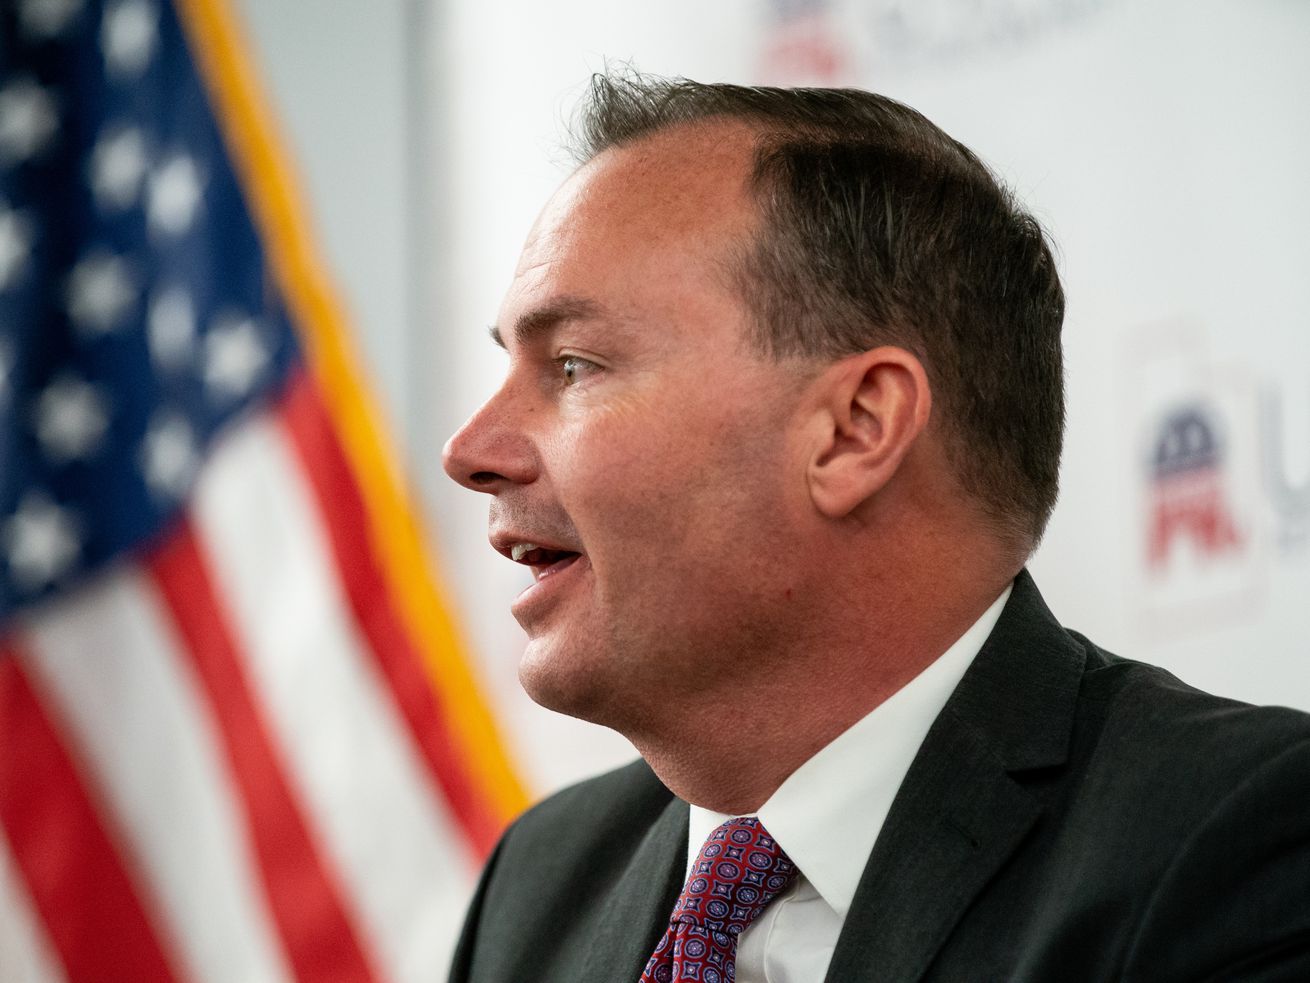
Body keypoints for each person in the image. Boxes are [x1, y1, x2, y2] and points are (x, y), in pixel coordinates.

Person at [441, 72, 1310, 983]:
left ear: (855, 428)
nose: (471, 450)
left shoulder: (1241, 845)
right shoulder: (538, 884)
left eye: (574, 366)